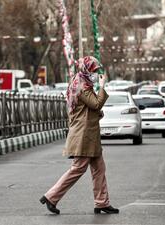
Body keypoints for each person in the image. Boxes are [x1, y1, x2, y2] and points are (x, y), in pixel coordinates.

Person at [40, 56, 119, 215]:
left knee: (99, 169)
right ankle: (51, 197)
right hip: (83, 135)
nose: (96, 74)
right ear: (86, 69)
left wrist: (97, 112)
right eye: (94, 70)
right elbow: (96, 103)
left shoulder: (81, 82)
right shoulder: (82, 85)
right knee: (78, 168)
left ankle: (102, 203)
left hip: (89, 134)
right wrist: (102, 86)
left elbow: (88, 108)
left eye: (97, 71)